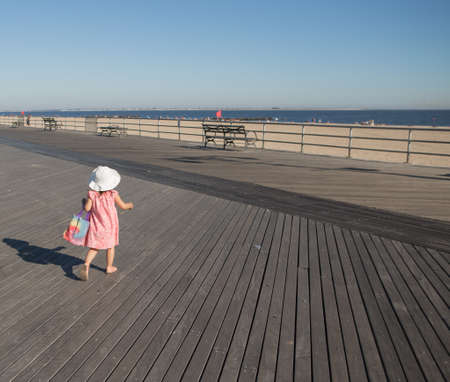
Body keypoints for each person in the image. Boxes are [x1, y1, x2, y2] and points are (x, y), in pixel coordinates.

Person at [75, 166, 134, 281]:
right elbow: (123, 206)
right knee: (110, 246)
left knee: (95, 247)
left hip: (96, 226)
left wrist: (84, 202)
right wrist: (130, 205)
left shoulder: (92, 194)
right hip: (109, 226)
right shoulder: (113, 194)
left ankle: (86, 264)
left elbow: (87, 209)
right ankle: (109, 267)